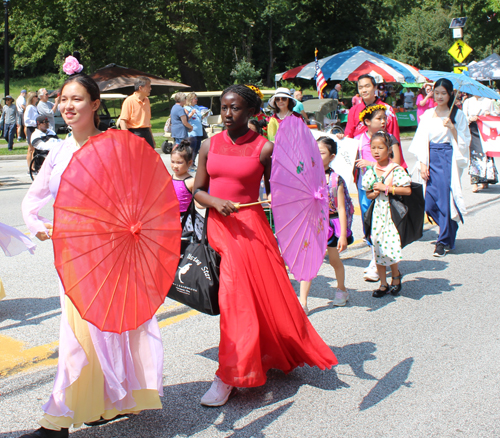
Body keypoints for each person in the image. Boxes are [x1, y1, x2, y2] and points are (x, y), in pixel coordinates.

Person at [20, 72, 164, 438]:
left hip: (109, 258)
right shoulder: (58, 151)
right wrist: (37, 224)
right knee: (81, 333)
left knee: (92, 335)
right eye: (63, 100)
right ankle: (98, 405)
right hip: (72, 260)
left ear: (96, 104)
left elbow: (137, 200)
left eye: (77, 99)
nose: (67, 106)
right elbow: (33, 200)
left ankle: (56, 422)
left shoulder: (116, 146)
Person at [193, 84, 338, 407]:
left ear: (251, 113)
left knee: (240, 301)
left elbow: (284, 190)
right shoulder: (207, 145)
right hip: (219, 228)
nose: (227, 114)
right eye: (224, 107)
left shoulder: (265, 148)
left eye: (235, 108)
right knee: (238, 299)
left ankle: (230, 374)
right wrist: (216, 202)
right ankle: (239, 365)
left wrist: (284, 199)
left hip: (252, 230)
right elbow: (197, 191)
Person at [409, 78, 471, 257]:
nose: (440, 96)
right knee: (429, 204)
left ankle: (442, 241)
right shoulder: (428, 114)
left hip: (447, 158)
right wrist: (422, 163)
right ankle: (450, 226)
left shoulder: (457, 115)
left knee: (444, 200)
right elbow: (421, 140)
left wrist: (453, 129)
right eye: (437, 93)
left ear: (450, 94)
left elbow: (465, 141)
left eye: (444, 93)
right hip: (430, 157)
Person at [299, 136, 354, 314]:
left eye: (321, 152)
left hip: (332, 224)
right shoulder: (306, 176)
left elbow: (341, 208)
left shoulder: (336, 179)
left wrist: (343, 235)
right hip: (313, 224)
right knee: (309, 262)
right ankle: (303, 302)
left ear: (332, 157)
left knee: (334, 260)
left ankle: (341, 289)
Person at [362, 131, 412, 297]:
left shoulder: (395, 169)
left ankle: (395, 276)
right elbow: (368, 193)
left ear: (389, 149)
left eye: (380, 147)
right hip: (377, 213)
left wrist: (387, 188)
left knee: (390, 246)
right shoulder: (371, 170)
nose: (376, 151)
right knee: (377, 247)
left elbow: (407, 190)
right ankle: (383, 283)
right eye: (373, 147)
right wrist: (374, 193)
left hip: (391, 214)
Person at [355, 104, 401, 282]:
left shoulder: (390, 139)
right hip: (365, 189)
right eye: (379, 118)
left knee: (381, 225)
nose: (383, 121)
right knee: (368, 224)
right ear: (367, 122)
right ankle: (378, 257)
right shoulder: (358, 140)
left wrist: (371, 164)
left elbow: (395, 163)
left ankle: (376, 262)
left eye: (384, 118)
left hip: (384, 190)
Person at [342, 75, 405, 166]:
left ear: (375, 87)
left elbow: (394, 137)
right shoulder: (354, 110)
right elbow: (349, 136)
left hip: (384, 163)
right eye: (360, 87)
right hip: (361, 162)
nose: (364, 90)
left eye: (367, 86)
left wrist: (398, 166)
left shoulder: (387, 110)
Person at [462, 95, 498, 192]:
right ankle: (475, 181)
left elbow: (495, 115)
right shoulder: (468, 102)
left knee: (486, 153)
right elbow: (464, 116)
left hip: (485, 129)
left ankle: (485, 180)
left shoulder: (488, 101)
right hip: (473, 130)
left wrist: (489, 114)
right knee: (475, 154)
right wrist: (470, 118)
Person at [119, 77, 155, 148]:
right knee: (136, 157)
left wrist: (152, 138)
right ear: (140, 88)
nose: (150, 89)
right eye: (148, 87)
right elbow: (122, 121)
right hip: (135, 133)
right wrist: (127, 138)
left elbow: (147, 122)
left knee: (150, 157)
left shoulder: (147, 100)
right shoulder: (129, 101)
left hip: (146, 132)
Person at [184, 92, 204, 166]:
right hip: (192, 130)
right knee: (192, 147)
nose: (196, 100)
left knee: (197, 147)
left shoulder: (197, 107)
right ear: (191, 99)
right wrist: (191, 113)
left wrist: (204, 116)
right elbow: (186, 119)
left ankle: (193, 162)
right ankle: (189, 163)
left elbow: (199, 117)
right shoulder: (186, 108)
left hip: (199, 130)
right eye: (195, 98)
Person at [24, 92, 39, 170]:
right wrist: (35, 123)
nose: (37, 98)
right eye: (36, 96)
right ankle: (30, 166)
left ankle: (33, 165)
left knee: (34, 149)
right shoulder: (29, 107)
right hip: (30, 128)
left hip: (35, 128)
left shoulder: (35, 107)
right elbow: (26, 120)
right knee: (30, 148)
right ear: (32, 98)